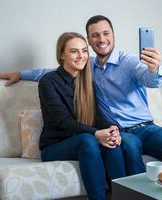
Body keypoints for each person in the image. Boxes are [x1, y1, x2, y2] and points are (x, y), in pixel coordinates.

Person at [0, 15, 162, 175]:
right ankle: (134, 193)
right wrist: (21, 74)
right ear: (89, 40)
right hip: (117, 131)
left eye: (105, 33)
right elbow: (52, 71)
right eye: (95, 35)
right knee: (128, 146)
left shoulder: (128, 62)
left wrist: (154, 69)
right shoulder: (87, 66)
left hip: (146, 128)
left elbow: (150, 80)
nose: (101, 39)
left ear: (113, 35)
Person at [37, 32, 126, 200]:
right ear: (62, 55)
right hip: (54, 146)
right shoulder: (48, 82)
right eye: (74, 51)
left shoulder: (86, 81)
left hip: (83, 140)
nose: (81, 56)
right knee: (87, 140)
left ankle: (121, 196)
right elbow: (63, 121)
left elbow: (97, 118)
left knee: (112, 142)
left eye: (85, 51)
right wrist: (95, 133)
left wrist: (112, 129)